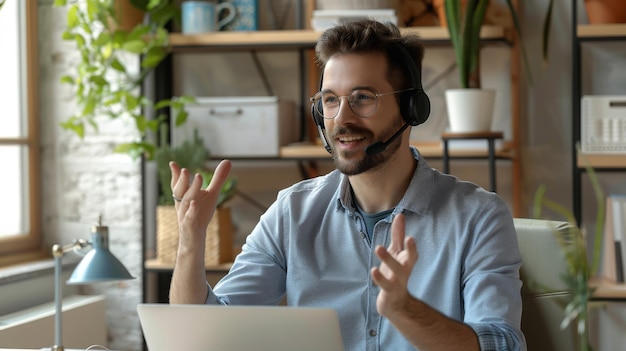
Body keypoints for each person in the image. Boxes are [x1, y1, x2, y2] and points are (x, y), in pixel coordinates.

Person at [168, 19, 526, 351]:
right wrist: (190, 242)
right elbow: (205, 337)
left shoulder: (478, 216)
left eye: (363, 98)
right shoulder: (291, 213)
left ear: (411, 109)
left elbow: (502, 342)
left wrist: (405, 311)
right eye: (330, 100)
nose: (341, 118)